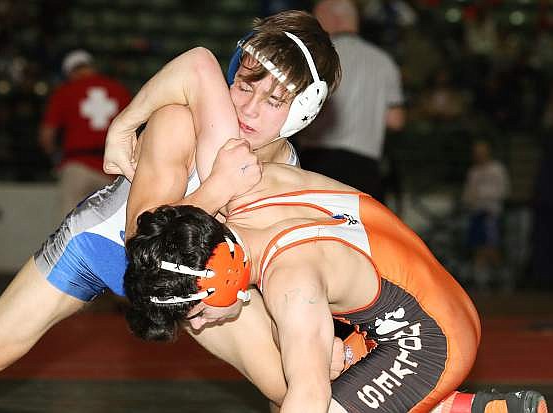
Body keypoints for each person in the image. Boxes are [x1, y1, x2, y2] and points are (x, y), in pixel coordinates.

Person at [0, 11, 346, 407]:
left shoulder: (288, 174)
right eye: (243, 86)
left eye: (273, 100)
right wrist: (217, 186)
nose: (249, 109)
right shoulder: (180, 122)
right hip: (103, 246)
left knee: (291, 380)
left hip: (193, 277)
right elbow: (139, 239)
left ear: (304, 111)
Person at [124, 162, 546, 413]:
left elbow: (308, 399)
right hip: (421, 297)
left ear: (222, 280)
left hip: (430, 340)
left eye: (195, 314)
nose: (198, 328)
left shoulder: (292, 284)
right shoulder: (246, 187)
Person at [297, 0, 405, 202]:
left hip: (318, 164)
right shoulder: (384, 61)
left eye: (317, 19)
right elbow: (395, 120)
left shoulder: (317, 56)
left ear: (335, 19)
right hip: (366, 169)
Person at [39, 49, 132, 216]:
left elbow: (47, 135)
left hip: (77, 165)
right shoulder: (119, 90)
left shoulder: (65, 91)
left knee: (68, 224)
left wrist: (54, 157)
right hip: (114, 168)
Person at [462, 140, 510, 291]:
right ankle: (482, 281)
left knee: (491, 248)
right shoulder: (474, 172)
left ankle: (503, 277)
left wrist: (482, 195)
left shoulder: (497, 170)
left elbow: (503, 191)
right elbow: (468, 194)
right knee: (477, 247)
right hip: (476, 213)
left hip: (490, 214)